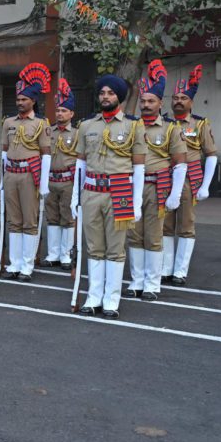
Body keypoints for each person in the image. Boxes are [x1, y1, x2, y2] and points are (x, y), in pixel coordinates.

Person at [70, 74, 146, 318]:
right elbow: (80, 165)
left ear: (119, 97)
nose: (105, 97)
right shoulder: (86, 126)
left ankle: (112, 299)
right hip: (91, 191)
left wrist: (136, 203)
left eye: (110, 93)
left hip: (120, 190)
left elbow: (139, 168)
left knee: (115, 249)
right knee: (94, 247)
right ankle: (94, 297)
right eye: (102, 93)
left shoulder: (133, 126)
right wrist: (75, 197)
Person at [127, 60, 188, 301]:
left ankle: (152, 283)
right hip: (133, 186)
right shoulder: (132, 126)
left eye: (151, 101)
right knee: (134, 234)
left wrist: (174, 194)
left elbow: (181, 162)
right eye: (143, 101)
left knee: (153, 234)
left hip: (157, 186)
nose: (145, 105)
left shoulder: (171, 128)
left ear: (160, 103)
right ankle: (136, 280)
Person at [160, 65, 217, 286]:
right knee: (165, 224)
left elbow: (211, 154)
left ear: (191, 101)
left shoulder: (200, 123)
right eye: (175, 97)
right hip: (165, 177)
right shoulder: (163, 122)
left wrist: (206, 186)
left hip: (188, 180)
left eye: (183, 97)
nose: (178, 101)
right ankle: (165, 268)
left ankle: (180, 271)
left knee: (185, 224)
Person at [0, 63, 52, 282]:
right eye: (18, 98)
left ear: (33, 101)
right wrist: (1, 180)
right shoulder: (8, 122)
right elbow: (4, 151)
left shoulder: (41, 123)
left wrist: (44, 184)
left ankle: (27, 265)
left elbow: (46, 154)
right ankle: (15, 263)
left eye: (24, 99)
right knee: (14, 220)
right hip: (11, 173)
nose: (20, 102)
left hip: (31, 174)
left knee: (29, 220)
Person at [41, 80, 78, 269]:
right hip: (50, 179)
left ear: (71, 113)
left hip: (68, 181)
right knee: (52, 217)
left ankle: (66, 254)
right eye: (58, 111)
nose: (60, 114)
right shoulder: (49, 131)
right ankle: (53, 253)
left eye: (64, 111)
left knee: (68, 218)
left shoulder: (77, 133)